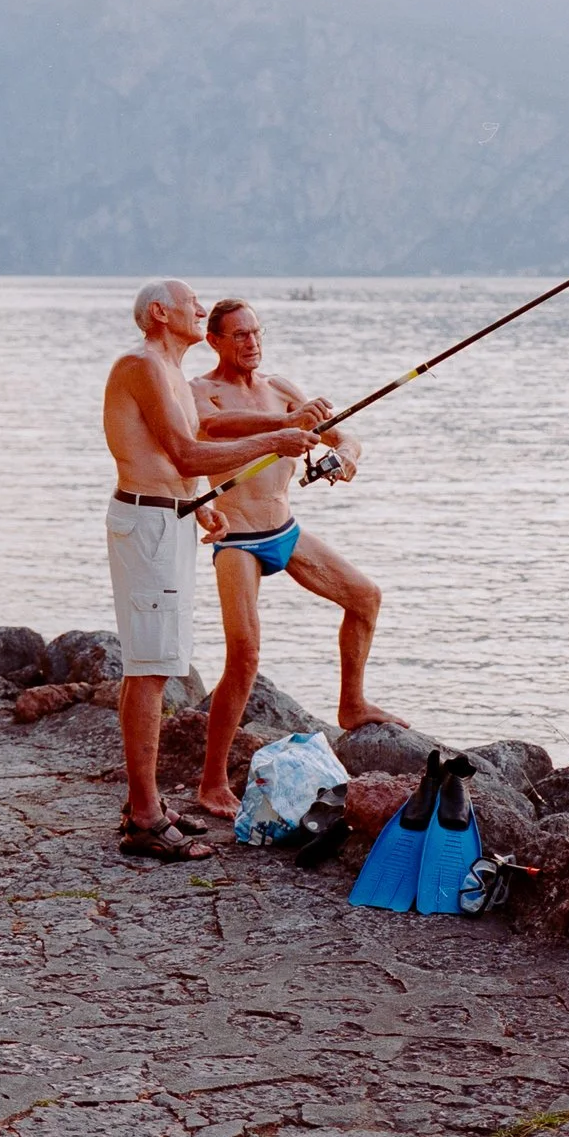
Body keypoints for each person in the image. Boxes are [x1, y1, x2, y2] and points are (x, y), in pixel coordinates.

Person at [102, 279, 320, 862]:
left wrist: (204, 509)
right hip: (148, 523)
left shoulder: (168, 369)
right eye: (191, 303)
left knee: (156, 662)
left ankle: (143, 803)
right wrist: (277, 436)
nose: (201, 308)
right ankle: (145, 820)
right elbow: (185, 452)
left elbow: (179, 458)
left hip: (168, 518)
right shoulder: (142, 364)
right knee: (150, 668)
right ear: (159, 313)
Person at [190, 298, 403, 818]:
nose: (251, 343)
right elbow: (214, 429)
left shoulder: (283, 389)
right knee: (244, 657)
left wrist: (345, 456)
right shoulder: (200, 391)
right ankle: (211, 781)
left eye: (256, 333)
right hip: (236, 538)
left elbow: (342, 433)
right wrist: (282, 427)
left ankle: (351, 704)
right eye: (238, 335)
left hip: (285, 528)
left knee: (365, 597)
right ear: (215, 340)